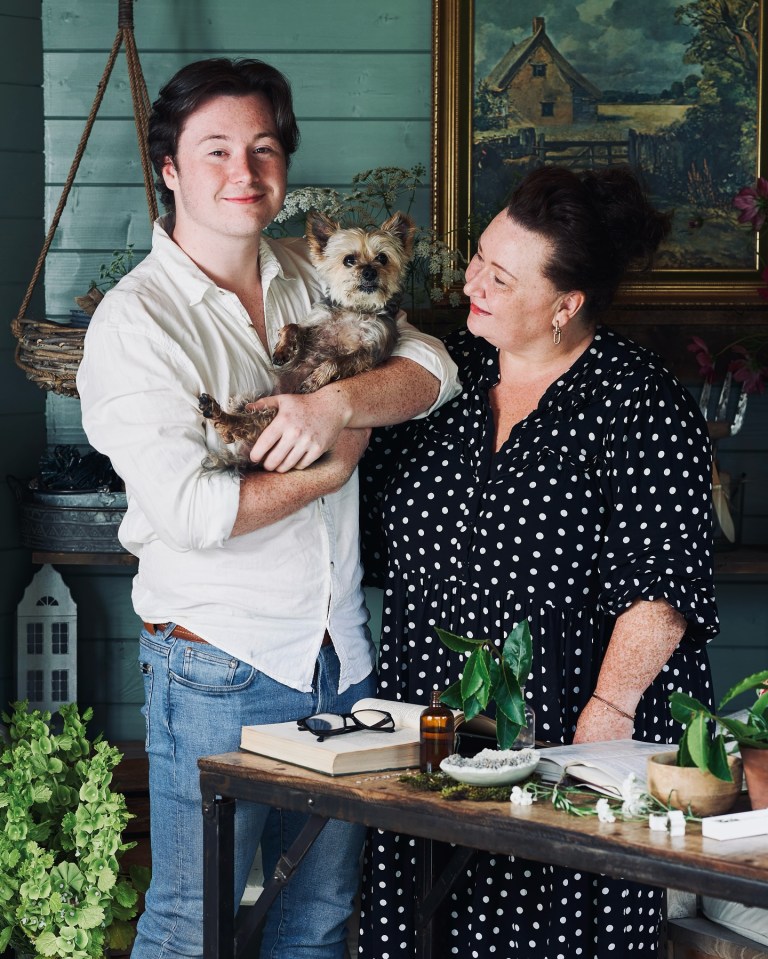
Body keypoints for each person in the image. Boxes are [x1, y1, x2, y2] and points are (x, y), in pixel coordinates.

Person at [76, 58, 460, 959]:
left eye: (261, 147)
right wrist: (325, 475)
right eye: (215, 150)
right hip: (221, 665)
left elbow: (434, 368)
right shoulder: (137, 323)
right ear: (168, 168)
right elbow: (190, 511)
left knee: (318, 923)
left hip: (341, 656)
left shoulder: (309, 270)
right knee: (191, 921)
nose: (243, 172)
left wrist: (335, 407)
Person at [357, 165, 719, 959]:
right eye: (479, 256)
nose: (470, 281)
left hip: (565, 731)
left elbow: (662, 591)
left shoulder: (639, 403)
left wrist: (602, 725)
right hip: (433, 726)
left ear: (566, 305)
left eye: (500, 275)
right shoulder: (440, 373)